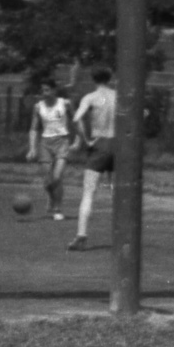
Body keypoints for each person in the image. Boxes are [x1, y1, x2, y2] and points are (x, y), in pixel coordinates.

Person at [69, 66, 117, 251]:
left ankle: (81, 236)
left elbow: (76, 118)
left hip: (99, 144)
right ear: (110, 78)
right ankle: (124, 235)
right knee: (118, 193)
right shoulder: (119, 96)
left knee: (89, 192)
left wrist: (86, 140)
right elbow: (142, 113)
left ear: (93, 79)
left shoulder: (91, 97)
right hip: (119, 145)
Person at [26, 74, 75, 221]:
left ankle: (57, 209)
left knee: (57, 177)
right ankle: (51, 196)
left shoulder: (65, 103)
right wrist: (32, 148)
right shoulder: (38, 107)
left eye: (47, 90)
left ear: (54, 90)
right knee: (48, 181)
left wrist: (78, 139)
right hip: (45, 143)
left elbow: (76, 121)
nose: (44, 93)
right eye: (42, 90)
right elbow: (34, 128)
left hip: (62, 141)